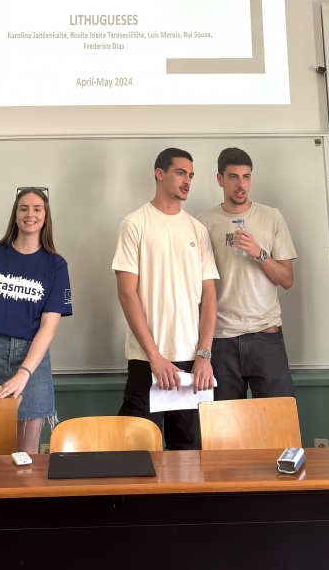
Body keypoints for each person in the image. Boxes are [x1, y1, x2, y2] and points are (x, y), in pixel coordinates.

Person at [111, 147, 219, 450]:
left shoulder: (197, 229)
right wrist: (155, 357)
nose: (187, 181)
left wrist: (204, 355)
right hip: (147, 360)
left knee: (186, 453)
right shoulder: (135, 224)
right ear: (160, 174)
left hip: (191, 363)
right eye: (180, 173)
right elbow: (126, 294)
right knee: (135, 450)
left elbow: (209, 296)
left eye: (191, 175)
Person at [0, 187, 72, 455]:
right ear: (15, 215)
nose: (30, 214)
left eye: (37, 209)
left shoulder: (56, 265)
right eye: (24, 208)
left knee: (25, 454)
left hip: (32, 360)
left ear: (45, 217)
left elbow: (48, 327)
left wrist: (24, 373)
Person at [197, 147, 297, 400]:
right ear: (220, 179)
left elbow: (287, 280)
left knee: (278, 418)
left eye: (246, 177)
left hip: (266, 335)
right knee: (226, 422)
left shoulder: (271, 217)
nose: (241, 185)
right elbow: (198, 289)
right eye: (233, 177)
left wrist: (259, 253)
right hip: (222, 338)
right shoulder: (203, 224)